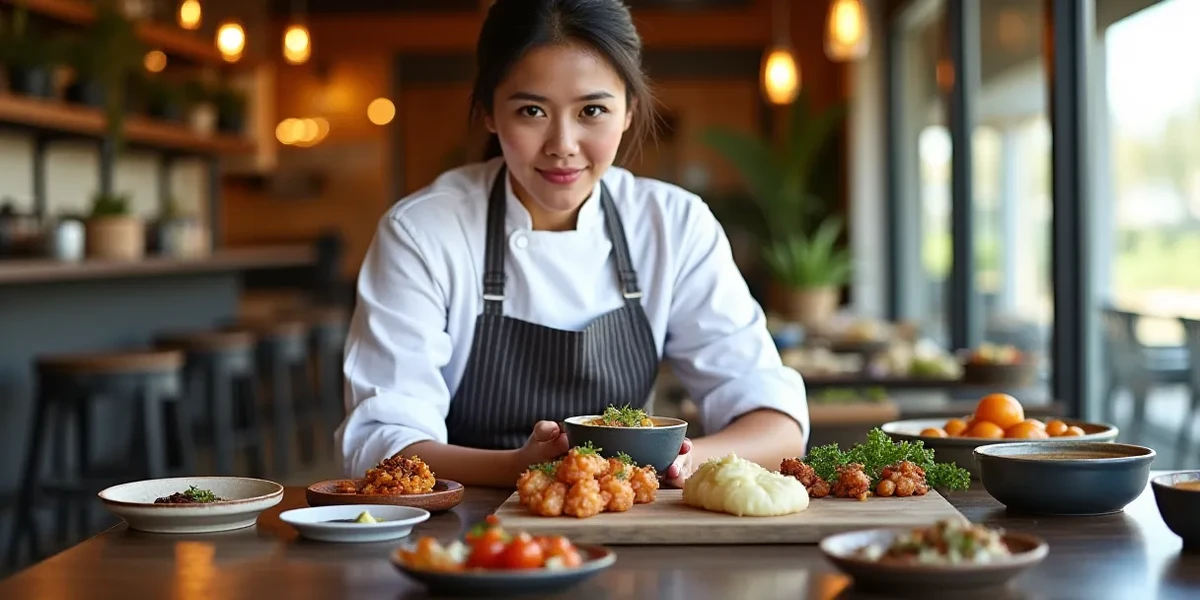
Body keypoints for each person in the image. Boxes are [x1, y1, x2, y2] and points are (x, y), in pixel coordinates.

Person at [336, 0, 809, 489]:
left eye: (592, 110)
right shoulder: (423, 232)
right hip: (467, 534)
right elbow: (382, 441)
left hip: (627, 521)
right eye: (532, 110)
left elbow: (776, 424)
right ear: (489, 114)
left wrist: (678, 461)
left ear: (629, 111)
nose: (562, 143)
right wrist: (522, 469)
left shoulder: (672, 225)